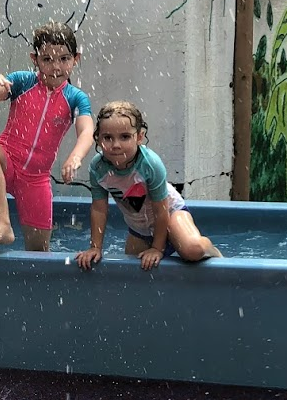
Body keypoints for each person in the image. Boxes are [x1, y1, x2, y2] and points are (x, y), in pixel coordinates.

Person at [0, 22, 94, 251]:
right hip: (8, 164)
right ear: (35, 59)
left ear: (75, 59)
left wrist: (76, 157)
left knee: (39, 253)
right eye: (47, 59)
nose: (56, 67)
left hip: (36, 181)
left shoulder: (75, 98)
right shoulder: (23, 82)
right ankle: (2, 224)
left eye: (64, 59)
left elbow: (87, 130)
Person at [75, 101, 220, 272]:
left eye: (125, 137)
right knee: (132, 272)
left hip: (170, 213)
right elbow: (99, 209)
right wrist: (95, 247)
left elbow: (161, 210)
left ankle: (211, 250)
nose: (116, 145)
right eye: (107, 138)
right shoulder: (98, 168)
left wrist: (157, 248)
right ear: (98, 138)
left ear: (139, 137)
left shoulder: (150, 164)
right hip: (139, 227)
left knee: (192, 249)